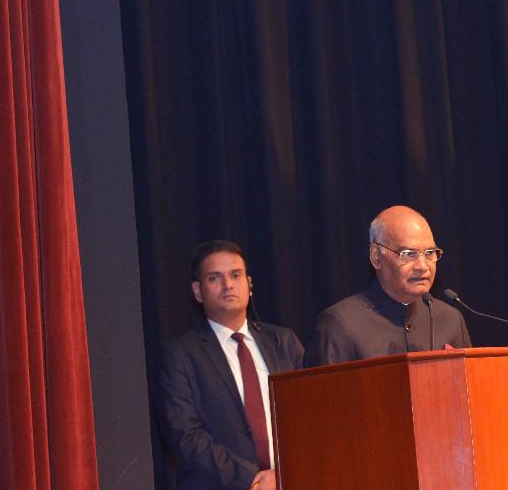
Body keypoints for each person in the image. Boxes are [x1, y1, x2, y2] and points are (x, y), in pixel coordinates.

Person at [158, 240, 304, 490]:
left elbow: (308, 415)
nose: (228, 285)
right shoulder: (180, 355)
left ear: (249, 284)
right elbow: (185, 435)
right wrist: (253, 480)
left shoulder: (283, 342)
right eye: (215, 278)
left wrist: (285, 473)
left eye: (235, 275)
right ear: (198, 291)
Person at [307, 205, 471, 366]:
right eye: (408, 254)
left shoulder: (450, 320)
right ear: (376, 257)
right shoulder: (340, 325)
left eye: (429, 253)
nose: (422, 266)